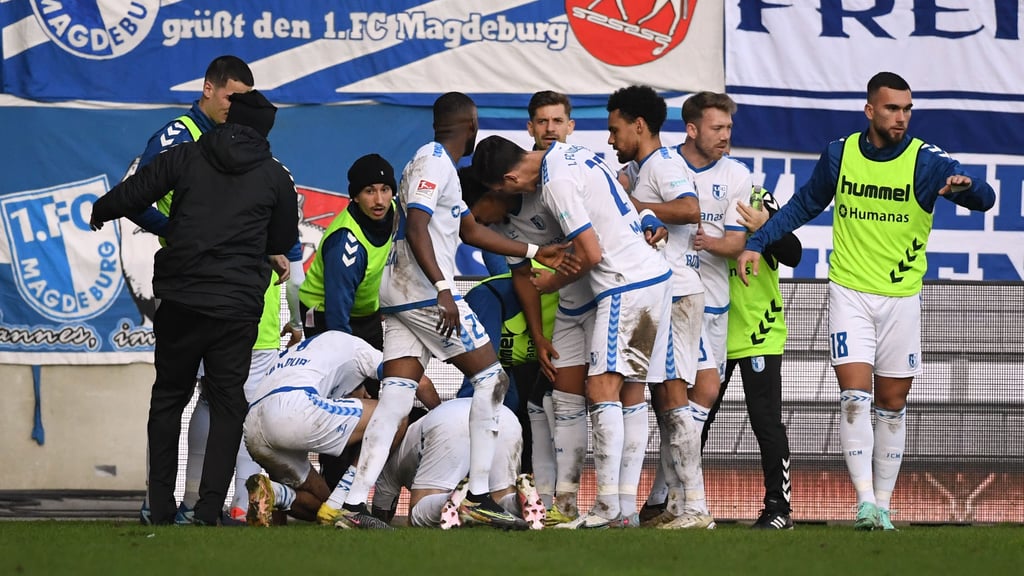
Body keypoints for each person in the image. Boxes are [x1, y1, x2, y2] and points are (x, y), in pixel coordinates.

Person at [736, 72, 996, 531]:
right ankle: (864, 504)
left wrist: (965, 188)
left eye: (907, 109)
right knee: (854, 397)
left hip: (902, 298)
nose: (902, 117)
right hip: (849, 291)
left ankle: (885, 505)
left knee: (892, 403)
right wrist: (758, 241)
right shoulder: (841, 153)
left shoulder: (925, 160)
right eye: (893, 108)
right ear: (870, 110)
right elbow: (803, 205)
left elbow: (986, 198)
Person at [335, 92, 571, 530]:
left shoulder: (432, 165)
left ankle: (352, 506)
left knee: (395, 400)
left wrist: (537, 249)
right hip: (423, 293)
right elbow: (420, 226)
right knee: (492, 379)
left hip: (403, 294)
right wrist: (444, 288)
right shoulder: (434, 163)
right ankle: (480, 493)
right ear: (470, 125)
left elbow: (469, 230)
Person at [90, 89, 299, 526]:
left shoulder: (186, 156)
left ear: (228, 119)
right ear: (266, 132)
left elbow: (132, 194)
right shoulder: (275, 177)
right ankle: (206, 512)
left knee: (169, 398)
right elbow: (281, 243)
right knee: (226, 407)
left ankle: (160, 507)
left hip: (182, 300)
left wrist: (101, 209)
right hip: (237, 309)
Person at [472, 135, 673, 529]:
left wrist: (549, 283)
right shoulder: (566, 157)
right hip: (594, 289)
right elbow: (611, 202)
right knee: (567, 394)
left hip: (624, 281)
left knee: (610, 390)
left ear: (508, 180)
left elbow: (592, 253)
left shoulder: (555, 182)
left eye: (483, 205)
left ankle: (615, 506)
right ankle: (566, 502)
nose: (482, 221)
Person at [121, 55, 255, 525]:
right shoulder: (180, 135)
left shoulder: (235, 142)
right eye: (230, 97)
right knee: (173, 397)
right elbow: (134, 194)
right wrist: (175, 229)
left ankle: (201, 503)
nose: (235, 107)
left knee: (215, 399)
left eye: (244, 101)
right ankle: (158, 500)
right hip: (183, 285)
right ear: (207, 88)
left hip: (224, 288)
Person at [606, 85, 710, 529]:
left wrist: (634, 205)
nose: (611, 139)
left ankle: (696, 508)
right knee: (663, 399)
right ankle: (677, 505)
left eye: (615, 130)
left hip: (677, 292)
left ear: (639, 126)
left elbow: (691, 208)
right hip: (664, 293)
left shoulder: (665, 163)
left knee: (672, 398)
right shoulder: (640, 165)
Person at [242, 330, 428, 526]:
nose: (365, 399)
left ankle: (275, 493)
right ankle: (348, 502)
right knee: (395, 414)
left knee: (323, 505)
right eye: (364, 395)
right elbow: (419, 382)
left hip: (253, 425)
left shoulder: (299, 353)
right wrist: (441, 414)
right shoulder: (360, 350)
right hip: (293, 408)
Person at [703, 186, 802, 529]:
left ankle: (779, 508)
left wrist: (765, 224)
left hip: (759, 332)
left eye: (726, 129)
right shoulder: (690, 191)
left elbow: (793, 252)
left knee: (765, 421)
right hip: (711, 330)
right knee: (696, 419)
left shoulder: (757, 196)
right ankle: (683, 501)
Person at [298, 153, 397, 489]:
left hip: (365, 314)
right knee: (343, 401)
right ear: (354, 195)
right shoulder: (346, 243)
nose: (380, 199)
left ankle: (357, 491)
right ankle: (332, 488)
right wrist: (350, 374)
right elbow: (338, 317)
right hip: (327, 316)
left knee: (375, 396)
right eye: (370, 191)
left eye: (385, 189)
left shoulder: (394, 215)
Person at [371, 398, 542, 530]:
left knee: (417, 514)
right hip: (502, 415)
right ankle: (519, 502)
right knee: (500, 499)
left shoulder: (386, 463)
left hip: (449, 422)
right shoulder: (418, 424)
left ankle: (454, 500)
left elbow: (380, 515)